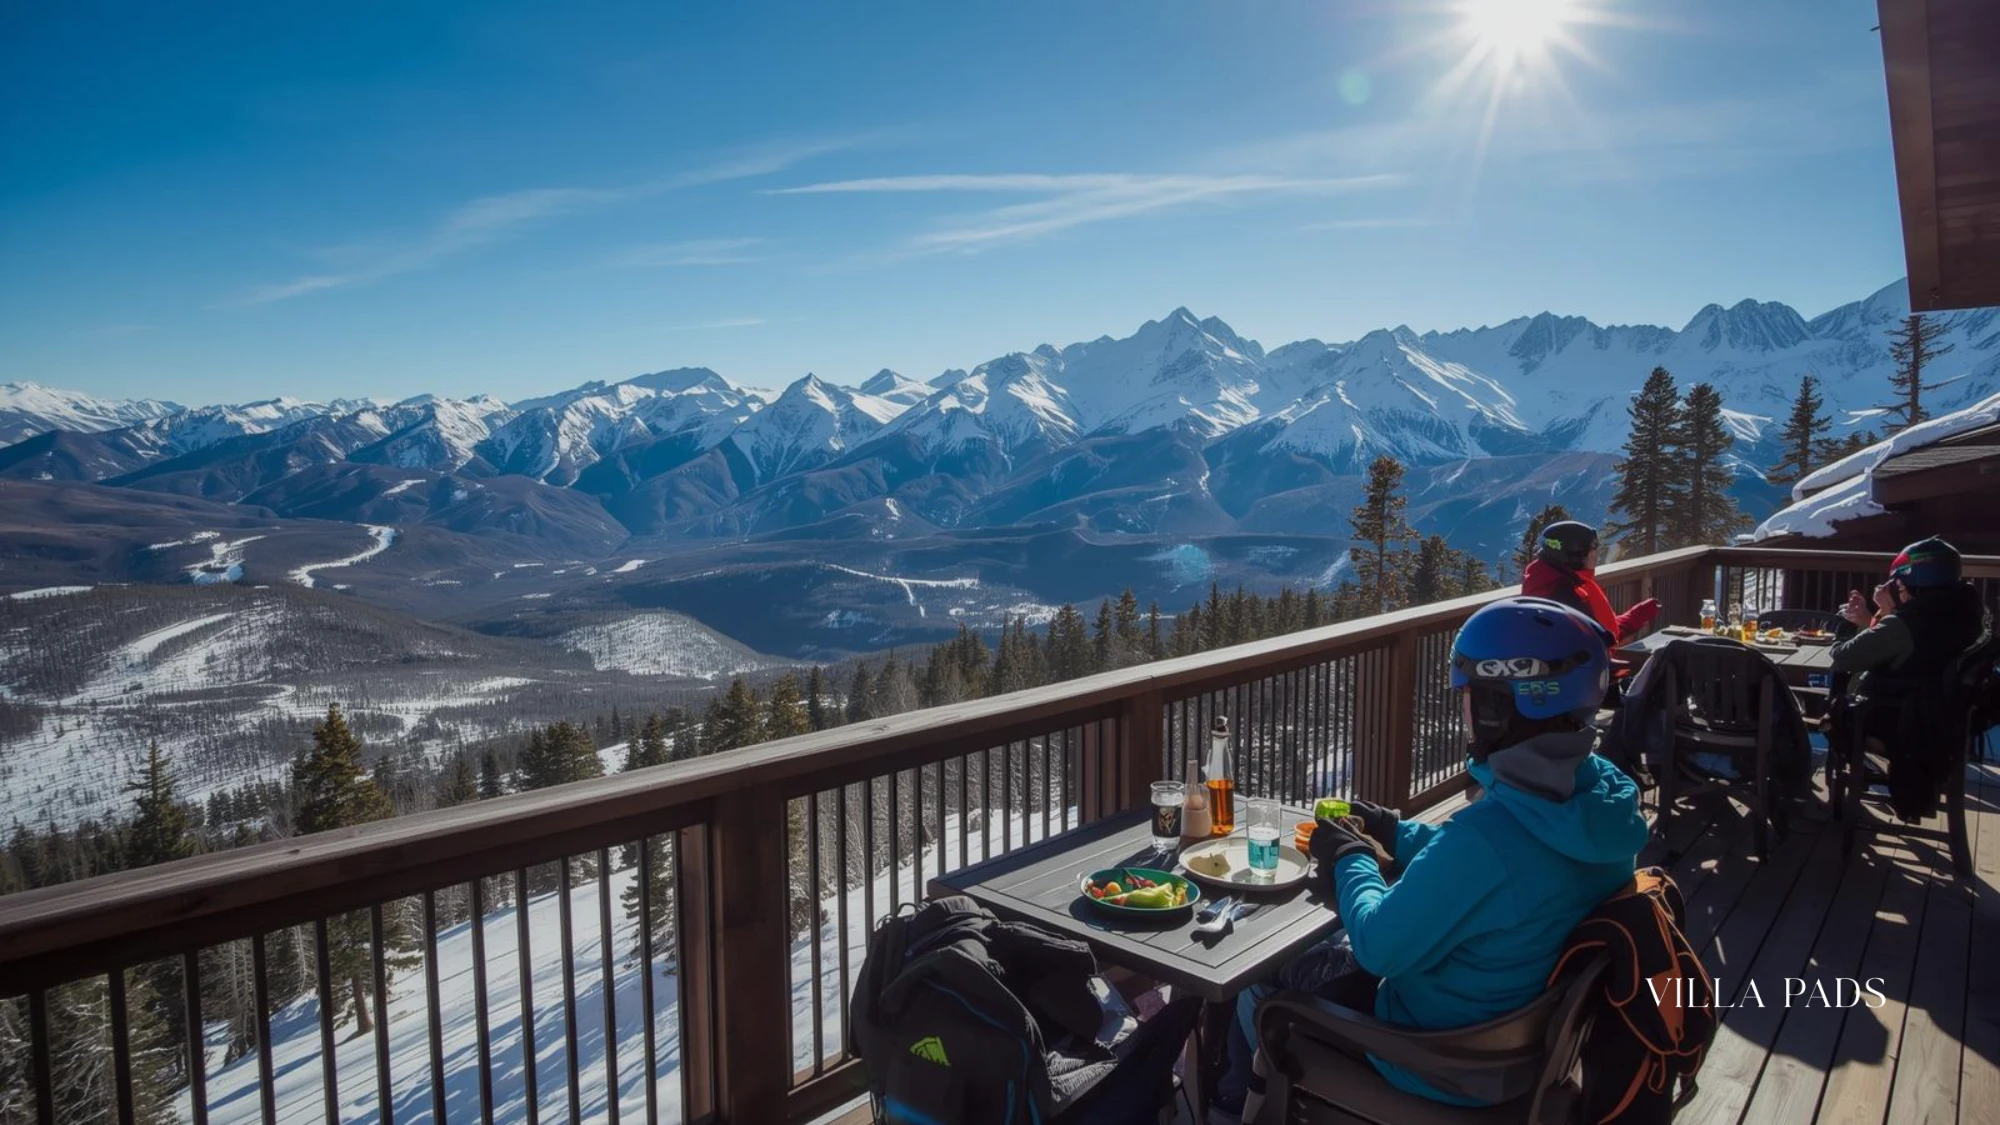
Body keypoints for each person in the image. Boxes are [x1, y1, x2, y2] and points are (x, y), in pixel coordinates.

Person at [1208, 597, 1648, 1122]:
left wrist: (1350, 857)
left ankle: (1232, 1104)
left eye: (1468, 695)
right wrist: (1395, 830)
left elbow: (1377, 945)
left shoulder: (1492, 837)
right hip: (1507, 1044)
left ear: (1497, 707)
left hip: (1432, 1055)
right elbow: (1480, 873)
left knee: (1260, 969)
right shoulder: (1600, 802)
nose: (1462, 708)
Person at [1829, 537, 1989, 819]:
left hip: (1899, 721)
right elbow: (1911, 649)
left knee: (1832, 713)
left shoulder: (1908, 622)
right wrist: (1874, 621)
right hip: (1936, 722)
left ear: (1912, 585)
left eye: (1899, 585)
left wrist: (1861, 623)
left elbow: (1843, 657)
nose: (1897, 591)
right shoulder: (1965, 614)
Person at [1520, 520, 1660, 644]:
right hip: (1594, 670)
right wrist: (1634, 619)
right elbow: (1605, 640)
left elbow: (1603, 631)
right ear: (1573, 557)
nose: (1596, 554)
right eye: (1591, 549)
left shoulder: (1544, 585)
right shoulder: (1568, 596)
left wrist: (1637, 615)